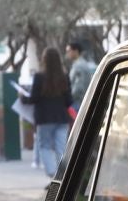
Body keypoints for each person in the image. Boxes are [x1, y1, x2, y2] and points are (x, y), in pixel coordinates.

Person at [31, 46, 73, 176]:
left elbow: (34, 98)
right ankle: (62, 176)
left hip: (44, 119)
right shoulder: (64, 77)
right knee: (61, 147)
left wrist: (23, 98)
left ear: (44, 60)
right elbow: (69, 100)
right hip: (62, 118)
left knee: (45, 146)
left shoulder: (39, 77)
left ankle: (52, 174)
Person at [65, 41, 94, 108]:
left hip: (80, 102)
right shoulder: (77, 64)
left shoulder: (79, 65)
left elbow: (79, 87)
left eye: (69, 51)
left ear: (76, 51)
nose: (67, 53)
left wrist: (70, 97)